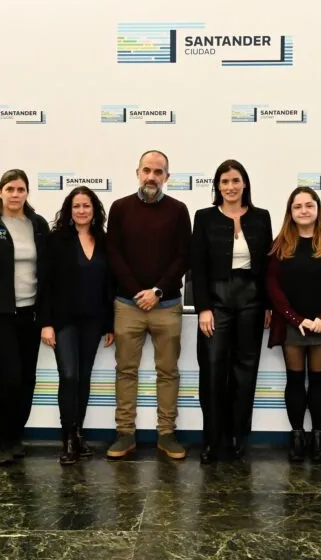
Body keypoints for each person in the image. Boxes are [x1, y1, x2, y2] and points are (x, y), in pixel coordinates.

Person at [106, 150, 192, 460]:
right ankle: (124, 433)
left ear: (167, 177)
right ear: (137, 172)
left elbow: (184, 256)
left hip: (167, 304)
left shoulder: (179, 210)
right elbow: (113, 253)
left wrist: (156, 291)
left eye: (158, 171)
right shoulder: (119, 208)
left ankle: (166, 434)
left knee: (167, 371)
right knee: (125, 370)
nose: (151, 176)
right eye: (147, 170)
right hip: (127, 305)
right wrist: (137, 292)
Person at [191, 160, 273, 464]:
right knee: (212, 369)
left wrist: (268, 305)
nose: (230, 187)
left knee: (244, 370)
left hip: (251, 300)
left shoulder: (261, 218)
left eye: (235, 180)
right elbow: (197, 267)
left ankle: (239, 436)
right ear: (217, 186)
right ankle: (212, 439)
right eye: (224, 181)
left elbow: (267, 266)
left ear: (245, 184)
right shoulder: (204, 218)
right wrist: (203, 308)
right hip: (216, 300)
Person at [266, 186, 321, 462]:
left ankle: (317, 435)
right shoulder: (280, 243)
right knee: (294, 380)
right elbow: (272, 285)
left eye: (309, 205)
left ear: (317, 209)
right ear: (290, 212)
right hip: (292, 323)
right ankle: (297, 434)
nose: (304, 211)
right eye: (297, 206)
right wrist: (295, 318)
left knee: (318, 380)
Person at [0, 169, 49, 466]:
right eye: (10, 189)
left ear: (27, 192)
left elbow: (47, 271)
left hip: (31, 313)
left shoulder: (38, 225)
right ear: (0, 191)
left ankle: (15, 437)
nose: (15, 195)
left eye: (21, 189)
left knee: (27, 378)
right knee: (11, 375)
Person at [40, 186, 115, 465]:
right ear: (69, 211)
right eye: (76, 206)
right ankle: (68, 437)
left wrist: (109, 324)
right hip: (63, 319)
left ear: (94, 210)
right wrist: (46, 323)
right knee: (69, 376)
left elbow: (110, 285)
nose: (81, 210)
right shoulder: (56, 240)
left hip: (94, 320)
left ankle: (79, 434)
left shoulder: (105, 240)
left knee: (83, 378)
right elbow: (45, 283)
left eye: (86, 205)